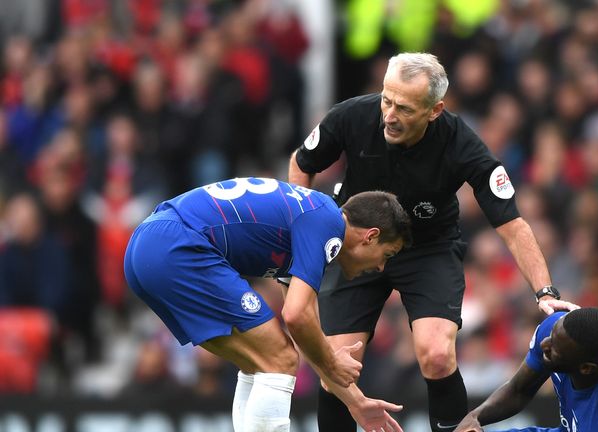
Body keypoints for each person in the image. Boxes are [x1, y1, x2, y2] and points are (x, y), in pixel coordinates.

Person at [288, 52, 579, 432]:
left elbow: (513, 225)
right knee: (335, 366)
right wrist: (304, 238)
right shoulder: (351, 115)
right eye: (386, 99)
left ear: (434, 110)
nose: (389, 115)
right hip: (359, 245)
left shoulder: (463, 145)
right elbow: (302, 164)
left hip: (428, 249)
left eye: (404, 108)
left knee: (437, 354)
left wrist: (544, 291)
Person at [123, 177, 412, 432]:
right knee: (280, 359)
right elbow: (297, 316)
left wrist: (355, 401)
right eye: (387, 254)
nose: (381, 268)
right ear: (370, 236)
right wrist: (333, 362)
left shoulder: (309, 220)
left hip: (147, 245)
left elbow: (305, 332)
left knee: (260, 362)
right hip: (177, 246)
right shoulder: (327, 223)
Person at [455, 308, 598, 432]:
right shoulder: (558, 329)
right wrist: (474, 417)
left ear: (585, 368)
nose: (545, 344)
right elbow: (519, 389)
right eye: (551, 336)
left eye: (556, 350)